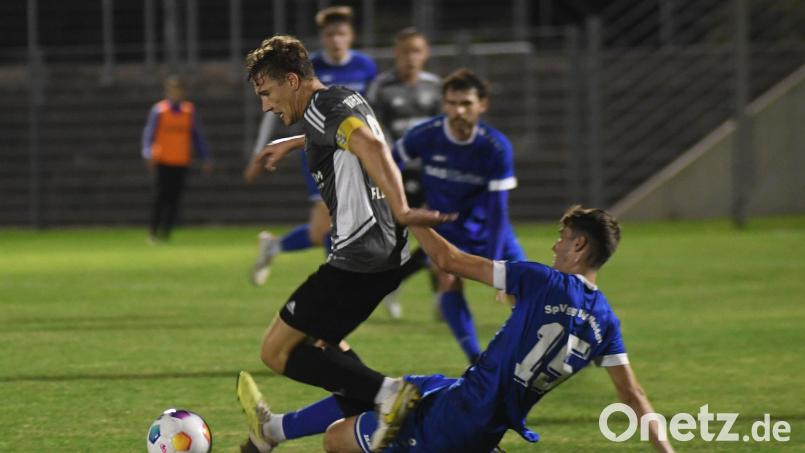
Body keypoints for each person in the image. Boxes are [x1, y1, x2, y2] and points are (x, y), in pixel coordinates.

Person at [236, 206, 674, 452]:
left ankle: (274, 432)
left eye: (563, 237)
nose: (555, 244)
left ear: (579, 245)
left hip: (455, 423)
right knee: (400, 387)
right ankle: (271, 431)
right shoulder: (606, 322)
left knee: (337, 441)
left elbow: (449, 261)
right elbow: (632, 396)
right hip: (476, 405)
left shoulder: (542, 280)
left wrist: (410, 216)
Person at [236, 35, 453, 453]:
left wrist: (404, 208)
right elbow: (350, 137)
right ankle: (283, 432)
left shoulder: (322, 108)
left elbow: (369, 145)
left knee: (277, 352)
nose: (265, 105)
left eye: (267, 93)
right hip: (386, 255)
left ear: (294, 81)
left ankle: (392, 396)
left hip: (359, 256)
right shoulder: (341, 99)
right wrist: (296, 142)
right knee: (326, 350)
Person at [392, 68, 526, 363]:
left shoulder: (495, 147)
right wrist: (399, 204)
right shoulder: (425, 135)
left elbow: (498, 210)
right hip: (446, 232)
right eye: (451, 103)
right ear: (443, 104)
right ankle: (474, 359)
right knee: (447, 281)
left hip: (488, 229)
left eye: (466, 103)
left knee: (528, 292)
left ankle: (556, 347)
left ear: (482, 105)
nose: (458, 110)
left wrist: (495, 266)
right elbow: (387, 164)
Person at [247, 5, 378, 286]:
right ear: (323, 37)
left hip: (355, 149)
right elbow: (275, 106)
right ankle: (340, 285)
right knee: (330, 227)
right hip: (321, 150)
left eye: (341, 34)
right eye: (330, 34)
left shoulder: (366, 67)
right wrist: (266, 147)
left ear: (351, 35)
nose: (336, 40)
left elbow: (370, 112)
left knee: (330, 229)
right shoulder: (310, 67)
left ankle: (278, 249)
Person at [366, 28, 442, 319]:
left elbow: (441, 127)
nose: (410, 57)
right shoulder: (382, 87)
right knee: (397, 237)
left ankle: (440, 297)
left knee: (436, 234)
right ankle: (391, 284)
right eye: (405, 51)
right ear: (396, 54)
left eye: (416, 50)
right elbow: (371, 127)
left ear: (425, 54)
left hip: (430, 173)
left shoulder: (435, 86)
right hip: (395, 172)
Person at [141, 75, 211, 243]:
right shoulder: (159, 110)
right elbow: (149, 134)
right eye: (173, 90)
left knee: (174, 198)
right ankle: (153, 231)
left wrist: (205, 157)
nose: (176, 94)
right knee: (160, 197)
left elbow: (197, 136)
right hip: (163, 160)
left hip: (181, 160)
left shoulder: (189, 111)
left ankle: (166, 233)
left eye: (178, 90)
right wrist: (147, 152)